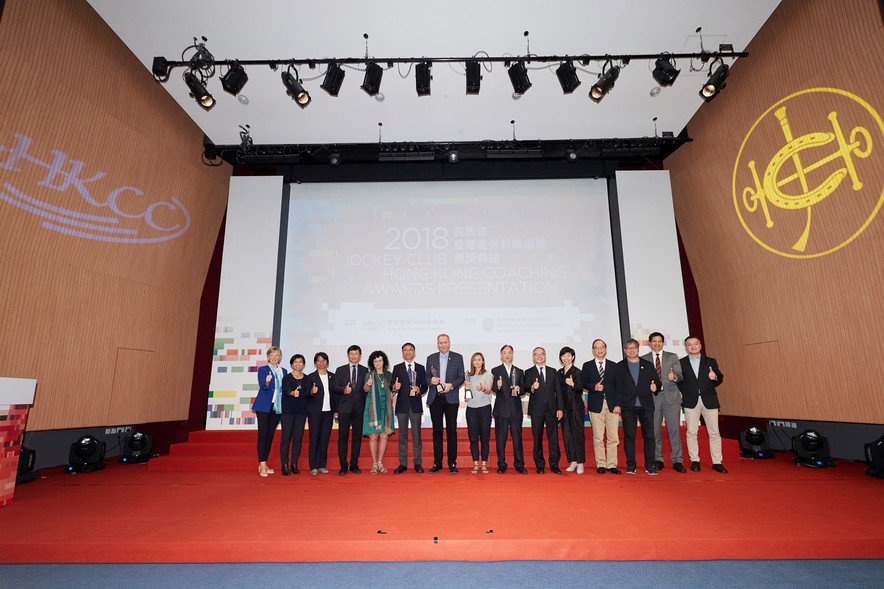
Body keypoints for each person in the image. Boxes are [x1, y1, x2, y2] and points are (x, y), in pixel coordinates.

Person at [612, 339, 662, 476]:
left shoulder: (647, 365)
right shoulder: (619, 367)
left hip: (646, 405)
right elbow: (617, 388)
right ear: (624, 350)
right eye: (628, 348)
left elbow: (657, 381)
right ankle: (631, 465)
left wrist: (655, 387)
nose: (631, 350)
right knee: (629, 436)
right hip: (628, 406)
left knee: (649, 436)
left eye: (634, 348)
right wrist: (618, 404)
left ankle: (650, 465)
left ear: (638, 349)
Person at [679, 336, 727, 473]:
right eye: (689, 345)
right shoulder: (681, 363)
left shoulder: (710, 361)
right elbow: (679, 382)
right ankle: (695, 460)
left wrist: (715, 377)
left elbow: (719, 377)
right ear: (686, 347)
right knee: (691, 432)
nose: (693, 347)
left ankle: (717, 462)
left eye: (695, 344)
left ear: (700, 346)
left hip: (709, 400)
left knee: (714, 432)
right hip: (690, 401)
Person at [643, 332, 686, 473]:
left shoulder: (672, 357)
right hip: (653, 399)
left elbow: (680, 376)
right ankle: (658, 459)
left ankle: (677, 460)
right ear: (649, 343)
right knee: (655, 431)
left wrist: (674, 377)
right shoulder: (643, 359)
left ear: (663, 343)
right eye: (653, 341)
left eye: (659, 341)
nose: (656, 344)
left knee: (674, 430)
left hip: (671, 398)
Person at [425, 333, 465, 474]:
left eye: (445, 342)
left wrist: (451, 385)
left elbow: (461, 377)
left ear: (449, 343)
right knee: (437, 432)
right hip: (435, 398)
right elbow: (426, 377)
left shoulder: (458, 357)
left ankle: (452, 463)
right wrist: (431, 381)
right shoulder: (431, 358)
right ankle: (438, 463)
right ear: (437, 344)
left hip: (451, 397)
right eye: (440, 342)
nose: (443, 344)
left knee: (451, 431)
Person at [582, 339, 621, 474]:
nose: (599, 350)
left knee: (613, 437)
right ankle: (601, 464)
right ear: (593, 350)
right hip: (595, 405)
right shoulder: (587, 366)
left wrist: (618, 404)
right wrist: (594, 387)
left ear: (606, 349)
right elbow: (584, 383)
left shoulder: (614, 366)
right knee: (598, 436)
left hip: (612, 405)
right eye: (596, 347)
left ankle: (611, 464)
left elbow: (619, 387)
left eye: (602, 347)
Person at [525, 347, 564, 474]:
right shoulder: (529, 372)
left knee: (553, 438)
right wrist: (532, 387)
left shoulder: (553, 372)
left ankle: (554, 465)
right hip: (536, 410)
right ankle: (540, 466)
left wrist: (560, 408)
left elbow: (558, 391)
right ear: (533, 357)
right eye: (536, 355)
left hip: (552, 410)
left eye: (542, 354)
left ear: (545, 356)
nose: (539, 356)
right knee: (537, 438)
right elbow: (525, 387)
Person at [490, 345, 527, 474]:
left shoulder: (519, 371)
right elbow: (493, 389)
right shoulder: (495, 370)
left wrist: (519, 390)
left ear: (512, 354)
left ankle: (519, 464)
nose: (507, 355)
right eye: (504, 353)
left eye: (509, 353)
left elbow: (523, 390)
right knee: (501, 438)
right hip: (501, 410)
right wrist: (498, 386)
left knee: (517, 438)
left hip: (515, 409)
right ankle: (501, 464)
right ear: (501, 355)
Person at [391, 343, 427, 473]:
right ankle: (403, 463)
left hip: (416, 406)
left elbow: (425, 387)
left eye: (410, 350)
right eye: (405, 350)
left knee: (417, 436)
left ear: (414, 352)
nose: (408, 352)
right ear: (402, 353)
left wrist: (419, 389)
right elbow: (392, 386)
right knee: (402, 436)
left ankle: (418, 463)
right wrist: (395, 387)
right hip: (402, 406)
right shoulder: (397, 368)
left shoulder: (421, 368)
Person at [332, 345, 368, 475]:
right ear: (348, 355)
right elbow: (334, 387)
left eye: (356, 354)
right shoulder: (340, 370)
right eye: (351, 354)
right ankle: (343, 465)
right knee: (343, 437)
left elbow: (366, 390)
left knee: (357, 437)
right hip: (344, 408)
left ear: (360, 356)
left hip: (359, 409)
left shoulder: (365, 370)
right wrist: (343, 390)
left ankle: (354, 464)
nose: (354, 356)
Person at [252, 346, 287, 477]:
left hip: (277, 407)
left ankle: (264, 463)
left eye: (277, 355)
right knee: (262, 434)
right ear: (268, 357)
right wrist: (267, 382)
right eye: (272, 355)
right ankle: (261, 464)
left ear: (280, 357)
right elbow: (263, 386)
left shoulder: (283, 371)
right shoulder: (263, 369)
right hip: (264, 406)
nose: (274, 357)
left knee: (270, 435)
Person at [363, 350, 395, 474]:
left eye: (380, 360)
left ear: (384, 361)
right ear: (372, 363)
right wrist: (368, 384)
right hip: (372, 410)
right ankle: (374, 464)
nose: (378, 363)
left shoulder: (389, 375)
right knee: (373, 436)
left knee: (383, 435)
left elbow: (392, 390)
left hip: (386, 409)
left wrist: (395, 388)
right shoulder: (369, 374)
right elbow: (365, 389)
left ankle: (380, 462)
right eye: (375, 361)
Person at [305, 352, 335, 476]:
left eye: (323, 360)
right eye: (318, 360)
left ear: (327, 362)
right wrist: (311, 391)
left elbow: (336, 394)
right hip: (315, 412)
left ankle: (322, 465)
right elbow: (305, 395)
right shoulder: (310, 377)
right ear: (315, 363)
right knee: (314, 438)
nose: (321, 363)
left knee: (324, 439)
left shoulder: (333, 376)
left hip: (329, 412)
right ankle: (313, 466)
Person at [464, 352, 494, 474]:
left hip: (485, 408)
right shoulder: (468, 376)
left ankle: (484, 464)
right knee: (473, 438)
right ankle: (476, 463)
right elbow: (467, 397)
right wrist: (466, 388)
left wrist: (483, 388)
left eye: (479, 359)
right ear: (472, 362)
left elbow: (489, 390)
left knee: (485, 438)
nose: (477, 362)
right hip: (471, 409)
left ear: (483, 361)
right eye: (475, 360)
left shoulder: (488, 375)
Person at [558, 346, 585, 474]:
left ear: (573, 357)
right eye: (563, 356)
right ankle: (573, 460)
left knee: (577, 435)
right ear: (561, 358)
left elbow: (580, 389)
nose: (566, 358)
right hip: (564, 409)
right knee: (567, 435)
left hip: (575, 407)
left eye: (569, 355)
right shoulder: (559, 373)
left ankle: (580, 463)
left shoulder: (577, 372)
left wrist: (573, 384)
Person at [280, 354, 308, 475]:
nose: (298, 364)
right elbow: (286, 390)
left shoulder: (306, 378)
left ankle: (294, 464)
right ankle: (284, 464)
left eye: (300, 362)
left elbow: (307, 395)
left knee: (298, 438)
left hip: (301, 413)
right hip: (288, 412)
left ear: (303, 364)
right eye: (295, 362)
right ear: (292, 364)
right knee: (286, 438)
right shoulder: (287, 378)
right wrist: (292, 393)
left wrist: (312, 392)